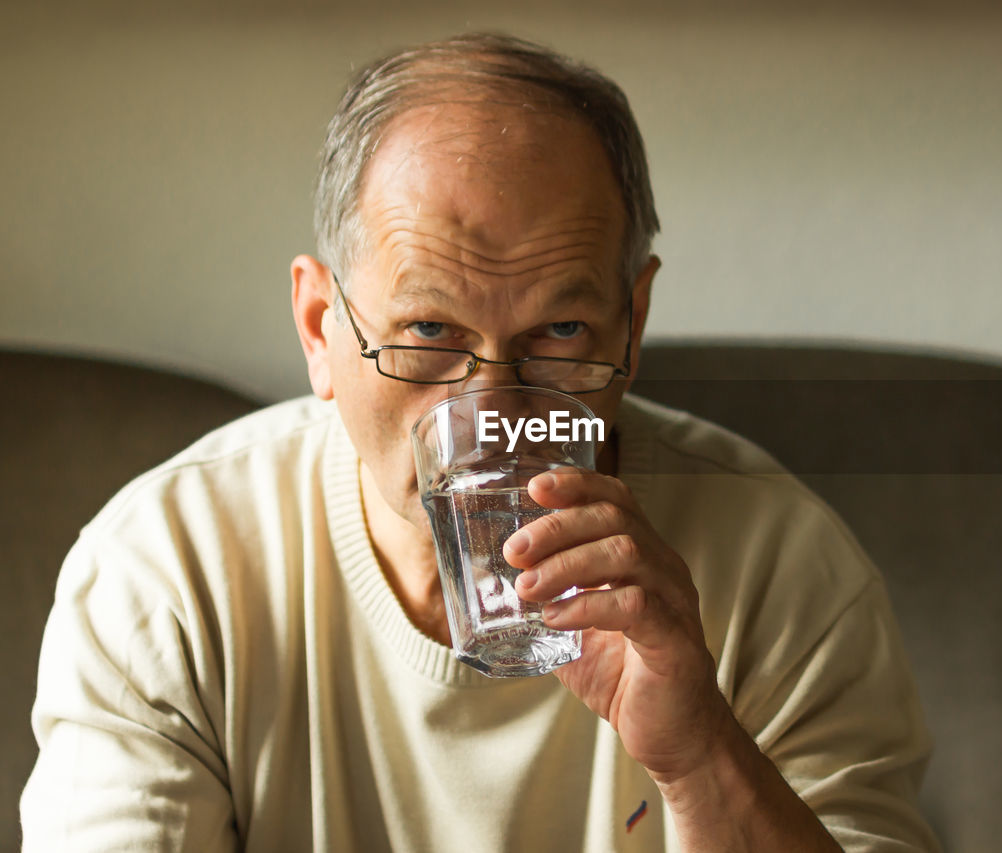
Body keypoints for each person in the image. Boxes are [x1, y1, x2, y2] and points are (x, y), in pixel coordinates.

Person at [21, 33, 939, 851]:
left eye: (560, 332)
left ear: (633, 321)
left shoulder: (785, 565)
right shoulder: (165, 572)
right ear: (318, 327)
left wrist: (701, 756)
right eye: (428, 330)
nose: (495, 407)